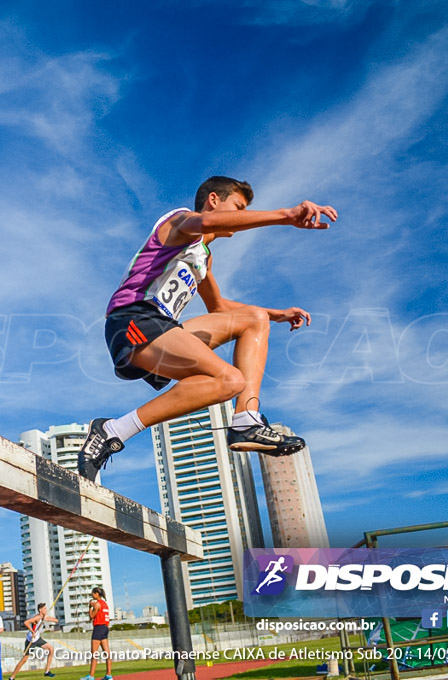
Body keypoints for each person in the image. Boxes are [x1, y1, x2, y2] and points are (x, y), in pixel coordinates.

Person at [76, 176, 337, 480]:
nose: (239, 219)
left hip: (164, 327)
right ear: (214, 200)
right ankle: (113, 430)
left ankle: (246, 419)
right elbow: (208, 221)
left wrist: (276, 314)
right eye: (237, 207)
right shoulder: (180, 222)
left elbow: (219, 308)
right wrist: (286, 215)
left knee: (252, 325)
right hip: (133, 319)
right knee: (231, 378)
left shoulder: (203, 258)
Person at [9, 602, 58, 680]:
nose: (46, 609)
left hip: (37, 639)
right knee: (24, 660)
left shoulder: (44, 617)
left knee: (51, 649)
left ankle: (47, 671)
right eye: (44, 608)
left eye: (46, 608)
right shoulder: (37, 617)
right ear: (40, 610)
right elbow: (26, 622)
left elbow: (55, 620)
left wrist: (53, 620)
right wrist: (32, 631)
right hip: (30, 640)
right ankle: (12, 677)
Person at [81, 587, 112, 680]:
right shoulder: (105, 604)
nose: (92, 595)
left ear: (96, 594)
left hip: (98, 628)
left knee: (94, 653)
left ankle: (91, 676)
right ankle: (108, 674)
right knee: (106, 652)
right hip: (105, 627)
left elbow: (91, 617)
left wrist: (90, 607)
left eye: (92, 593)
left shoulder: (97, 604)